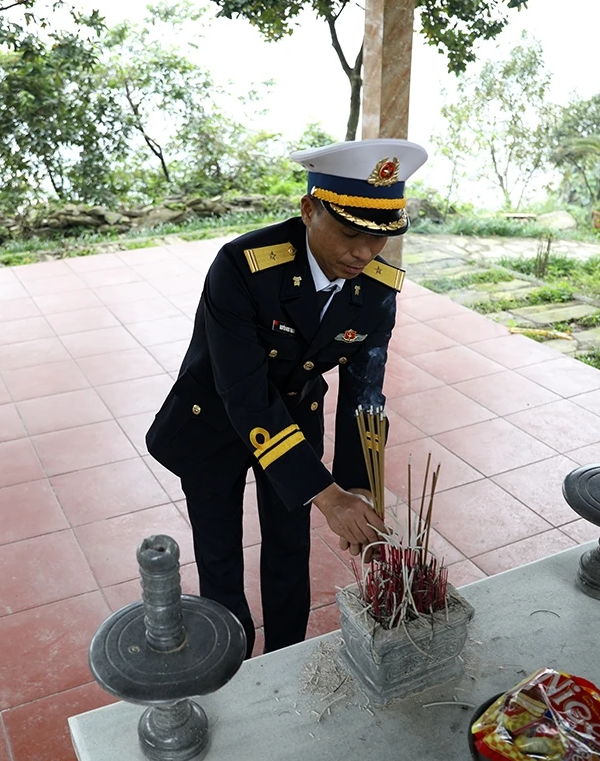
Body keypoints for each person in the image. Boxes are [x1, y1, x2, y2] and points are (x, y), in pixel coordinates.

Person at [146, 139, 429, 657]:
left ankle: (286, 658)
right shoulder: (243, 267)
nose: (364, 253)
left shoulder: (376, 290)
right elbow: (245, 394)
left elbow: (365, 393)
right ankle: (232, 663)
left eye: (379, 238)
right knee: (219, 555)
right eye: (351, 233)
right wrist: (328, 496)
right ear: (309, 210)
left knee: (288, 547)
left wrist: (358, 488)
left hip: (296, 416)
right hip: (214, 420)